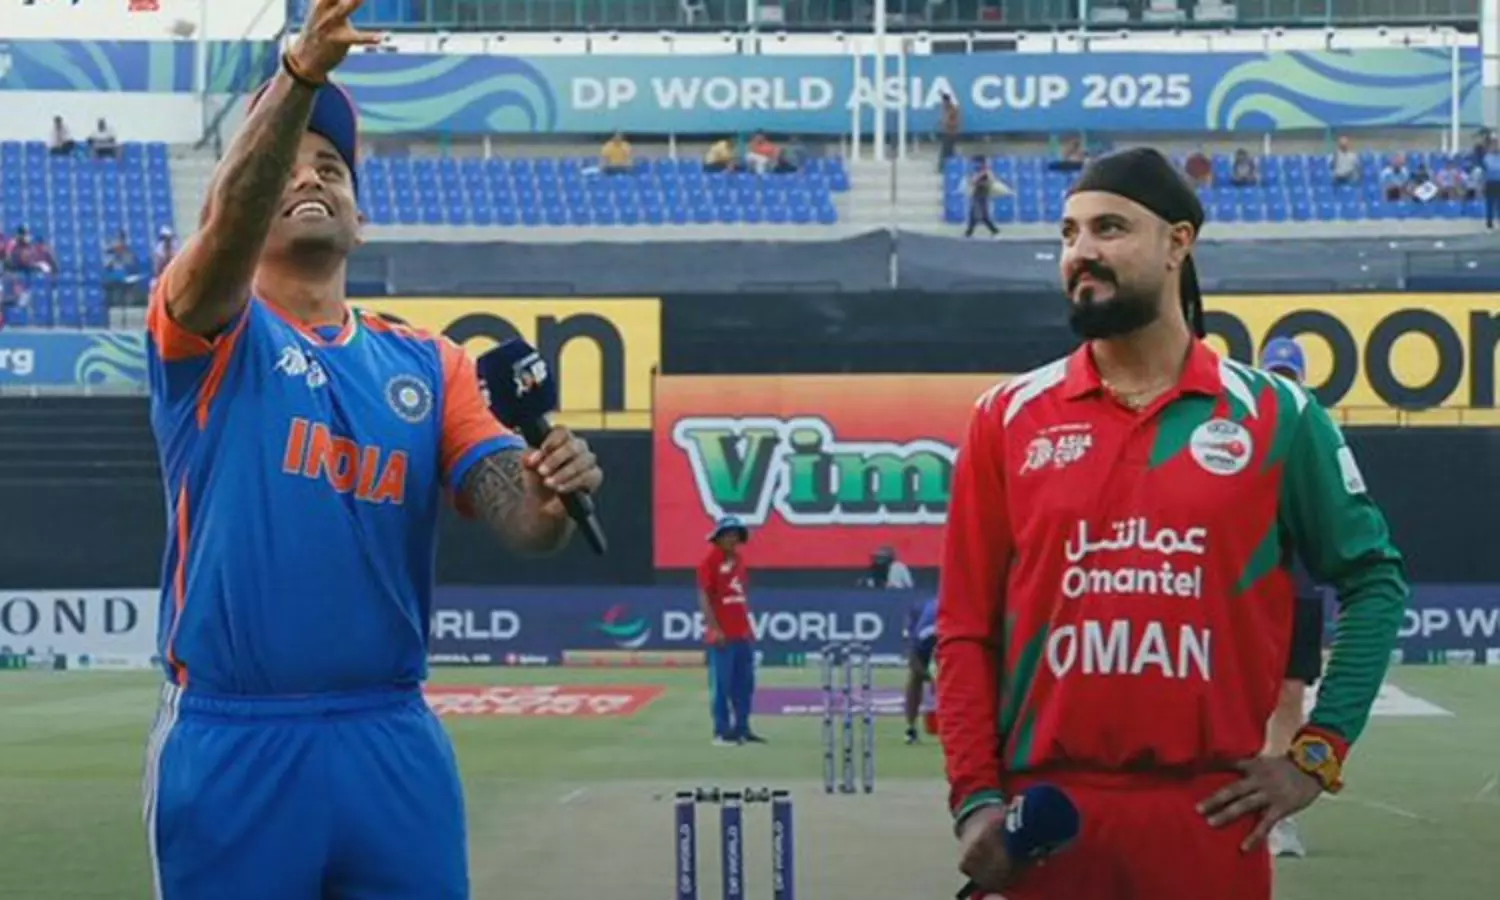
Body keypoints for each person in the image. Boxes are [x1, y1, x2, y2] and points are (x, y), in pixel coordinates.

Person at [138, 3, 605, 898]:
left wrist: (545, 498)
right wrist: (300, 76)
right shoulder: (209, 331)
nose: (311, 177)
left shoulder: (432, 364)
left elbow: (515, 511)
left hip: (389, 734)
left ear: (362, 221)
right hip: (234, 737)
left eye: (332, 168)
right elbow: (227, 230)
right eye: (287, 166)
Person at [936, 147, 1408, 900]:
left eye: (1110, 228)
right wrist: (975, 797)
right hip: (1049, 826)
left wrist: (1315, 756)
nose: (1081, 252)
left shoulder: (1278, 415)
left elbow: (1374, 581)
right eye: (1068, 233)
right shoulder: (1005, 417)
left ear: (1178, 243)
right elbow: (965, 627)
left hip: (1211, 823)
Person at [1257, 335, 1324, 860]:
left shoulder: (1317, 431)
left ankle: (1278, 817)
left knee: (1289, 695)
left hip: (1297, 585)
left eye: (1290, 375)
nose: (1283, 383)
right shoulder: (1243, 427)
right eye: (1275, 374)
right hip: (1246, 586)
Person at [699, 515, 764, 746]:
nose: (732, 539)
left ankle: (742, 728)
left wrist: (748, 626)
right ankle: (721, 731)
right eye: (727, 535)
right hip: (723, 636)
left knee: (745, 685)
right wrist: (714, 629)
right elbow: (705, 597)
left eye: (735, 535)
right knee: (722, 686)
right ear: (718, 538)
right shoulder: (710, 562)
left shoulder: (739, 560)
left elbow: (740, 596)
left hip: (742, 633)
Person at [903, 594, 938, 744]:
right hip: (920, 617)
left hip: (946, 624)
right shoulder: (921, 636)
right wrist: (929, 677)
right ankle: (911, 728)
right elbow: (913, 662)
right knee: (915, 677)